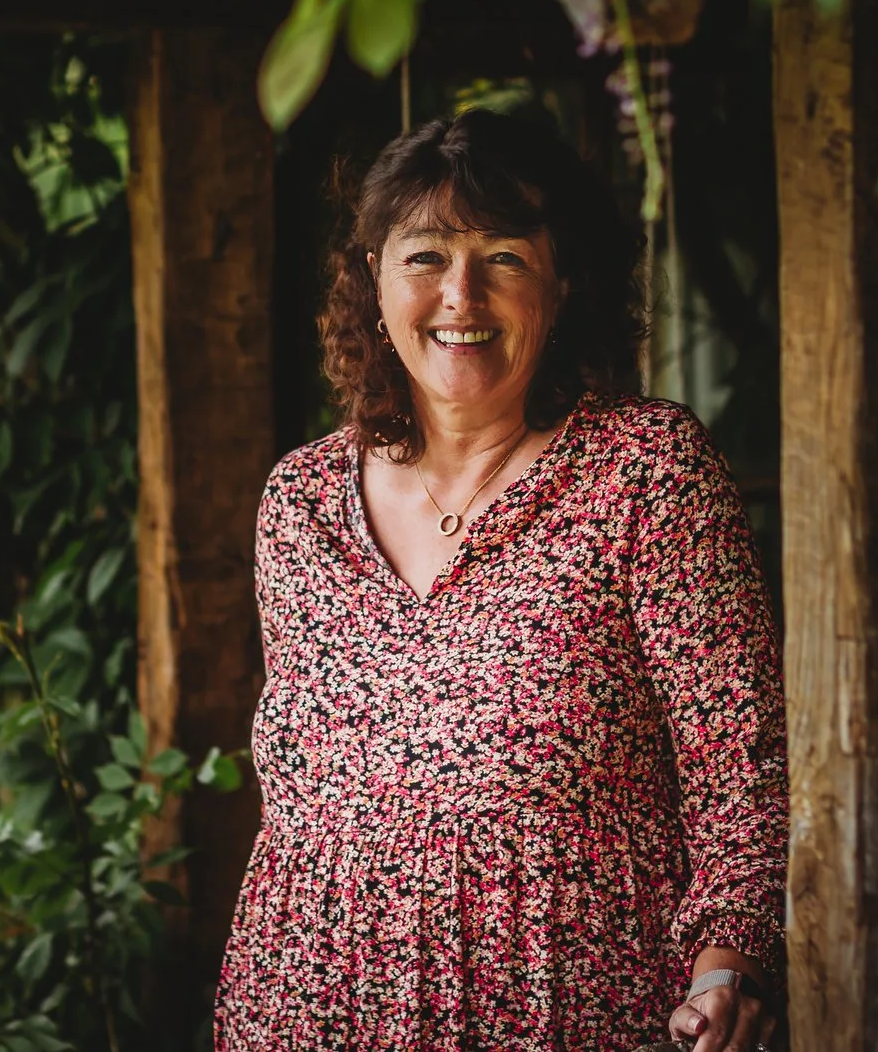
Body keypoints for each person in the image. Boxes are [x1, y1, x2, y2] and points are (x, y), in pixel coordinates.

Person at [214, 109, 787, 1052]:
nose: (460, 293)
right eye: (426, 254)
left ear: (563, 283)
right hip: (306, 1014)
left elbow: (742, 776)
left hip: (571, 1012)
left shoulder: (645, 472)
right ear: (373, 278)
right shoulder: (302, 498)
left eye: (505, 257)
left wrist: (725, 969)